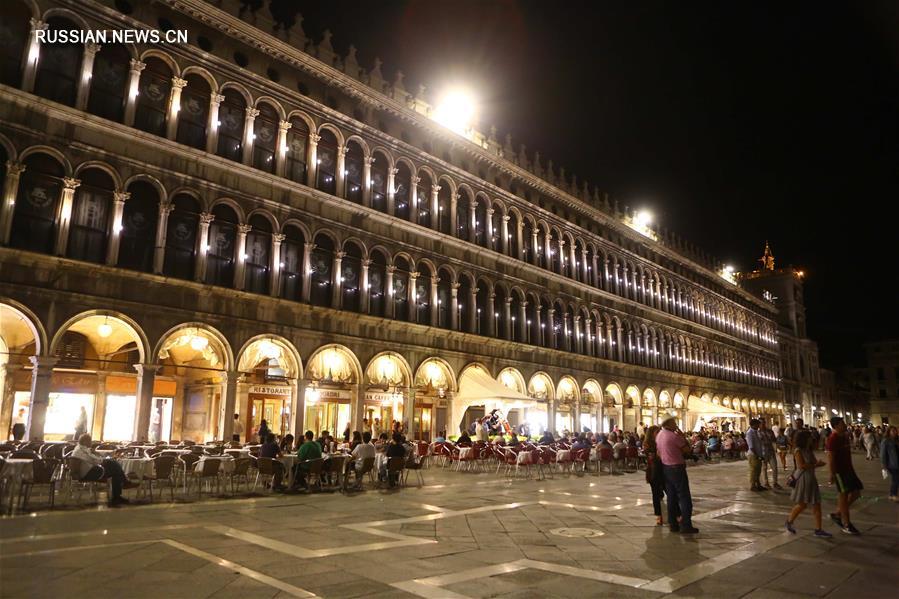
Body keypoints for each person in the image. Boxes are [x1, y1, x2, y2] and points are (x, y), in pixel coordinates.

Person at [784, 429, 832, 537]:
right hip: (803, 479)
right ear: (804, 439)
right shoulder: (798, 450)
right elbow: (802, 466)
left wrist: (818, 463)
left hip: (811, 478)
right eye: (809, 437)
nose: (811, 439)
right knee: (802, 504)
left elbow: (813, 462)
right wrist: (816, 465)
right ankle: (789, 521)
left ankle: (818, 529)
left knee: (816, 503)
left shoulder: (808, 450)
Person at [656, 417, 698, 534]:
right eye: (675, 422)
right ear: (669, 424)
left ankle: (673, 524)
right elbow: (687, 450)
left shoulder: (659, 435)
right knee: (684, 497)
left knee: (671, 497)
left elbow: (659, 453)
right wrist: (683, 437)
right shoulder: (674, 436)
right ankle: (686, 525)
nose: (676, 424)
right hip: (677, 468)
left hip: (666, 468)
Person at [71, 433, 135, 506]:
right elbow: (95, 461)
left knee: (115, 468)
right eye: (90, 441)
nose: (91, 443)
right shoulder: (82, 451)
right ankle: (121, 488)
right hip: (88, 473)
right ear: (85, 441)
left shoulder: (79, 448)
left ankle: (119, 493)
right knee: (115, 466)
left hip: (88, 471)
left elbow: (95, 459)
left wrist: (98, 455)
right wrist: (102, 459)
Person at [825, 416, 863, 535]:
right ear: (836, 426)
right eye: (842, 423)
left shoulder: (845, 436)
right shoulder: (833, 438)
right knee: (843, 495)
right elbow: (830, 458)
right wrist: (831, 474)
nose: (845, 424)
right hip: (840, 472)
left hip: (849, 470)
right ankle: (846, 524)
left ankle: (838, 514)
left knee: (856, 493)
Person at [644, 425, 667, 526]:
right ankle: (658, 515)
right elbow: (651, 456)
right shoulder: (648, 444)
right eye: (656, 432)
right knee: (655, 494)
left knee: (670, 492)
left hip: (664, 469)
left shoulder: (662, 442)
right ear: (651, 433)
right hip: (653, 470)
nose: (659, 434)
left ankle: (677, 514)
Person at [879, 425, 899, 502]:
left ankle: (893, 493)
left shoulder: (896, 440)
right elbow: (882, 454)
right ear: (889, 432)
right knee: (895, 479)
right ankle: (892, 495)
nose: (895, 432)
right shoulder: (886, 441)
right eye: (893, 431)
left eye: (895, 431)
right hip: (892, 464)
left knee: (896, 479)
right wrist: (884, 466)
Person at [759, 419, 781, 489]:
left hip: (770, 451)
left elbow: (774, 439)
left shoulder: (769, 431)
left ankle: (775, 483)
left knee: (774, 467)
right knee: (764, 468)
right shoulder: (757, 432)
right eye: (761, 423)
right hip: (763, 452)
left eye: (763, 423)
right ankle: (766, 483)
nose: (762, 425)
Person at [746, 418, 766, 491]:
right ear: (753, 425)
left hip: (758, 454)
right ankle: (753, 485)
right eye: (757, 424)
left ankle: (758, 484)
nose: (758, 426)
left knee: (758, 470)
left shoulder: (756, 432)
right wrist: (757, 455)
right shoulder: (750, 433)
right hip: (753, 455)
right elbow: (751, 446)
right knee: (753, 470)